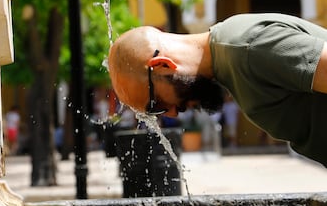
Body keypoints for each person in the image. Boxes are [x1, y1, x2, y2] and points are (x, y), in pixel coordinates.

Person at [108, 13, 327, 167]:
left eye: (156, 105)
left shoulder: (247, 48)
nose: (172, 113)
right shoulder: (231, 64)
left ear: (162, 66)